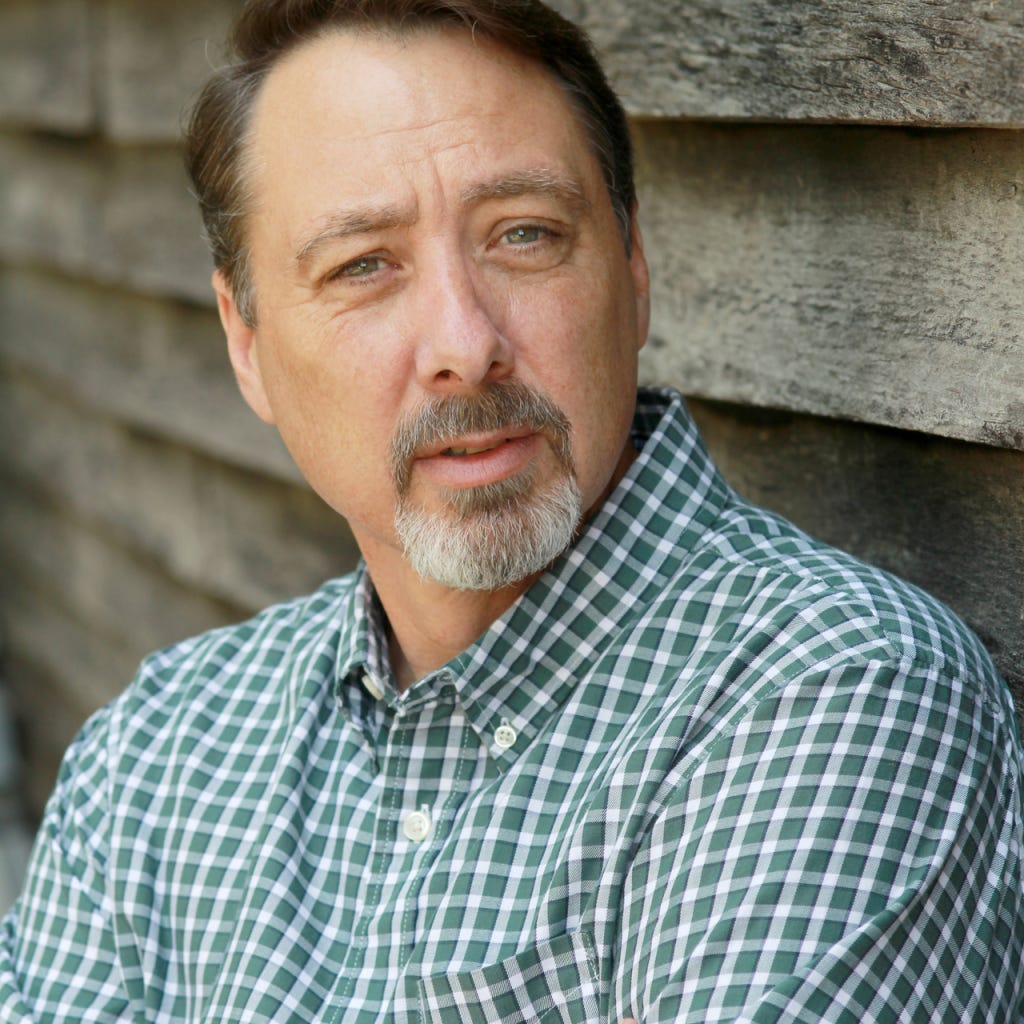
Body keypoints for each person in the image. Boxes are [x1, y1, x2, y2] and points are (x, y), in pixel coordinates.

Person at [2, 0, 1022, 1020]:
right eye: (363, 265)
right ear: (246, 341)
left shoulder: (835, 695)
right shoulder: (157, 757)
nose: (464, 342)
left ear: (632, 266)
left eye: (524, 234)